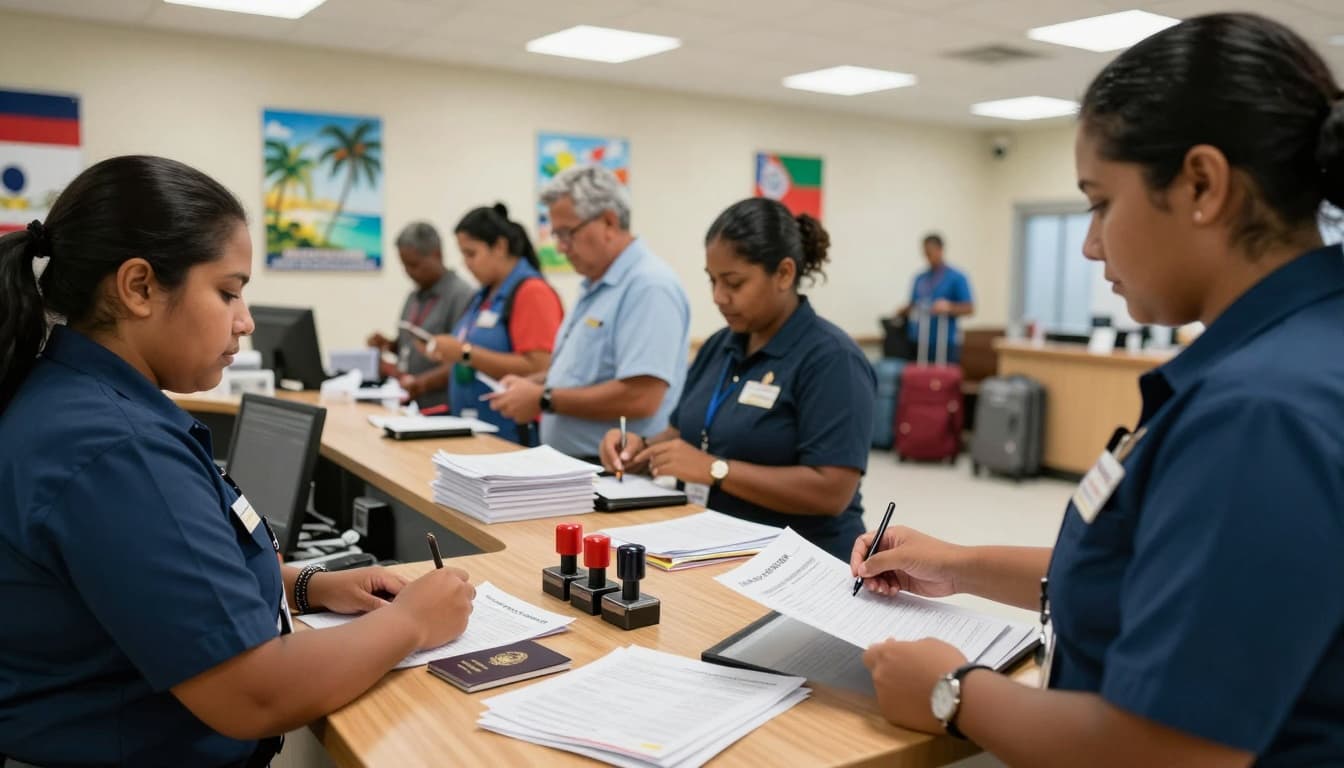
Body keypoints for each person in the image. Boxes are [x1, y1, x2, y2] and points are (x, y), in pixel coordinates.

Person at [853, 14, 1344, 765]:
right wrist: (956, 562)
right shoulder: (1291, 350)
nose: (1089, 244)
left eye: (1101, 203)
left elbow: (1173, 751)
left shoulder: (1262, 412)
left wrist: (954, 690)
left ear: (1202, 185)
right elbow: (1164, 576)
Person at [0, 156, 476, 767]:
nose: (245, 321)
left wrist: (309, 586)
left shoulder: (79, 401)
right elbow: (252, 694)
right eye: (227, 292)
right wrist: (412, 622)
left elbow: (155, 580)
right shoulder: (118, 450)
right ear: (139, 287)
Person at [599, 198, 876, 559]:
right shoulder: (720, 345)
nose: (718, 297)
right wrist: (640, 447)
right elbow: (686, 430)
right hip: (714, 546)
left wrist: (715, 469)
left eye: (733, 282)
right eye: (712, 281)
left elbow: (832, 491)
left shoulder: (832, 359)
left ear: (784, 274)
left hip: (803, 564)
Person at [487, 166, 690, 459]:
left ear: (608, 222)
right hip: (578, 466)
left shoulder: (648, 286)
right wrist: (536, 385)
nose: (560, 247)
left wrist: (544, 399)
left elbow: (641, 397)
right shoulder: (596, 283)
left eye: (567, 233)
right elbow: (587, 373)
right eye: (556, 235)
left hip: (616, 470)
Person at [419, 203, 564, 444]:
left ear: (499, 246)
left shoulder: (532, 292)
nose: (466, 264)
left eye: (471, 253)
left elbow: (540, 367)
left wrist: (465, 353)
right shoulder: (483, 295)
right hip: (475, 430)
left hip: (512, 436)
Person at [365, 221, 474, 408]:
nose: (408, 272)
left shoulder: (461, 295)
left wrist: (421, 383)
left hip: (442, 406)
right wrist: (390, 345)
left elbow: (463, 359)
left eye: (414, 265)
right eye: (404, 265)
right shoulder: (414, 296)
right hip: (408, 403)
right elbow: (409, 346)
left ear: (436, 255)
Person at [894, 233, 973, 362]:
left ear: (940, 250)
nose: (927, 258)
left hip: (944, 343)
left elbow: (969, 308)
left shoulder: (956, 277)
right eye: (925, 254)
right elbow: (913, 304)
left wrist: (949, 307)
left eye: (930, 253)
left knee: (943, 379)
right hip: (920, 341)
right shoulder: (920, 278)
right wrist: (903, 310)